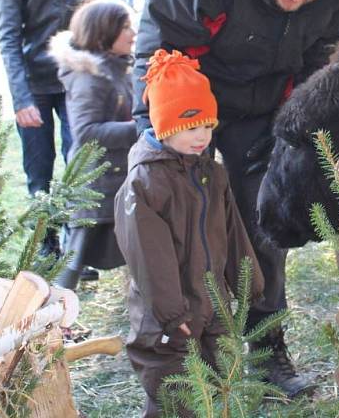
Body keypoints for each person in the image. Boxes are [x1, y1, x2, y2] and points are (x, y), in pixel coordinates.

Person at [132, 0, 339, 397]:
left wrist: (292, 126)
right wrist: (171, 132)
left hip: (267, 109)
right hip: (193, 102)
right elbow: (159, 46)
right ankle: (186, 355)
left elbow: (321, 56)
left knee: (265, 220)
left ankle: (267, 350)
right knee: (187, 225)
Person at [115, 49, 264, 418]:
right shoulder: (146, 184)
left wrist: (249, 282)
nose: (202, 137)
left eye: (208, 126)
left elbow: (232, 230)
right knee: (174, 393)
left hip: (212, 304)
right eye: (190, 126)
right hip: (165, 316)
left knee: (218, 384)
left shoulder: (212, 174)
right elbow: (149, 256)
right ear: (165, 126)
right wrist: (170, 311)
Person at [0, 0, 96, 257]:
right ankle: (47, 242)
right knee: (39, 167)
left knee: (80, 162)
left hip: (74, 81)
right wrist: (21, 99)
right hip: (34, 82)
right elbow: (8, 39)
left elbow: (92, 25)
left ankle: (80, 244)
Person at [49, 0, 137, 290]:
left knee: (139, 248)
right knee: (75, 257)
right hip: (95, 183)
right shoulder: (90, 77)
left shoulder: (118, 67)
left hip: (117, 177)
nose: (133, 33)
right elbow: (86, 131)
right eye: (125, 27)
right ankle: (55, 316)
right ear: (103, 33)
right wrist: (141, 130)